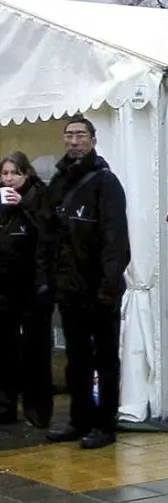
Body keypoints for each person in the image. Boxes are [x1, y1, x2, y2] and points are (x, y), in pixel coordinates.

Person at [42, 115, 130, 450]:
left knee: (105, 358)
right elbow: (47, 232)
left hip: (99, 288)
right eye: (69, 135)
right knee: (76, 357)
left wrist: (108, 286)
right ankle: (79, 419)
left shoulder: (106, 182)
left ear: (93, 139)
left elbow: (115, 238)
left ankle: (104, 424)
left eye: (81, 134)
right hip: (69, 288)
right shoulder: (59, 182)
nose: (74, 140)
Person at [0, 152, 54, 428]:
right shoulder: (2, 203)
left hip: (33, 287)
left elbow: (48, 234)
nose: (9, 179)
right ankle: (5, 406)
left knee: (35, 351)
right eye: (5, 173)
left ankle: (37, 410)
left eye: (14, 173)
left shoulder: (38, 197)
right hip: (5, 287)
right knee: (5, 349)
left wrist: (24, 206)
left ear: (27, 174)